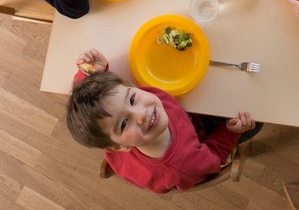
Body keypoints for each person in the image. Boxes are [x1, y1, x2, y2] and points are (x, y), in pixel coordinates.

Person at [66, 49, 260, 193]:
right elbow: (215, 157)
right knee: (256, 124)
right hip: (198, 140)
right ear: (118, 148)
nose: (141, 114)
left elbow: (92, 100)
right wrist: (230, 132)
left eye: (132, 99)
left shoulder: (118, 119)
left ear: (130, 86)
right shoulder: (185, 164)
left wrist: (92, 73)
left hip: (186, 119)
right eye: (124, 124)